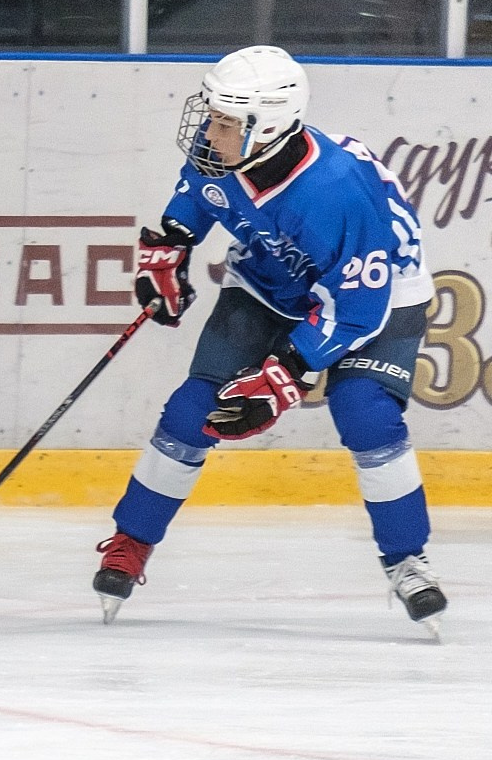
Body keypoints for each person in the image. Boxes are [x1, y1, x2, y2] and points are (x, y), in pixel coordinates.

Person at [95, 45, 444, 635]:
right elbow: (194, 201)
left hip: (378, 298)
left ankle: (407, 558)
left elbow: (356, 310)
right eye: (213, 115)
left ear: (268, 128)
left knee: (365, 414)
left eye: (226, 122)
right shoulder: (220, 156)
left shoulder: (335, 191)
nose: (210, 130)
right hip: (267, 283)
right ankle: (130, 541)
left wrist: (285, 374)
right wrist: (170, 250)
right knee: (191, 411)